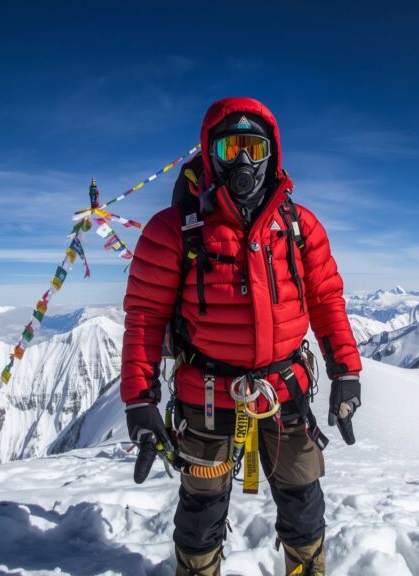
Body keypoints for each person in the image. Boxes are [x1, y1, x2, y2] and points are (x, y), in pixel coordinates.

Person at [120, 97, 362, 576]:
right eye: (233, 148)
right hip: (206, 393)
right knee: (201, 510)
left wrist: (346, 373)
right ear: (211, 155)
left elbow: (326, 301)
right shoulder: (174, 231)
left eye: (255, 147)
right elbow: (145, 317)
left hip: (283, 392)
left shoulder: (297, 226)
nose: (245, 162)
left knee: (303, 501)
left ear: (273, 153)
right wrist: (139, 400)